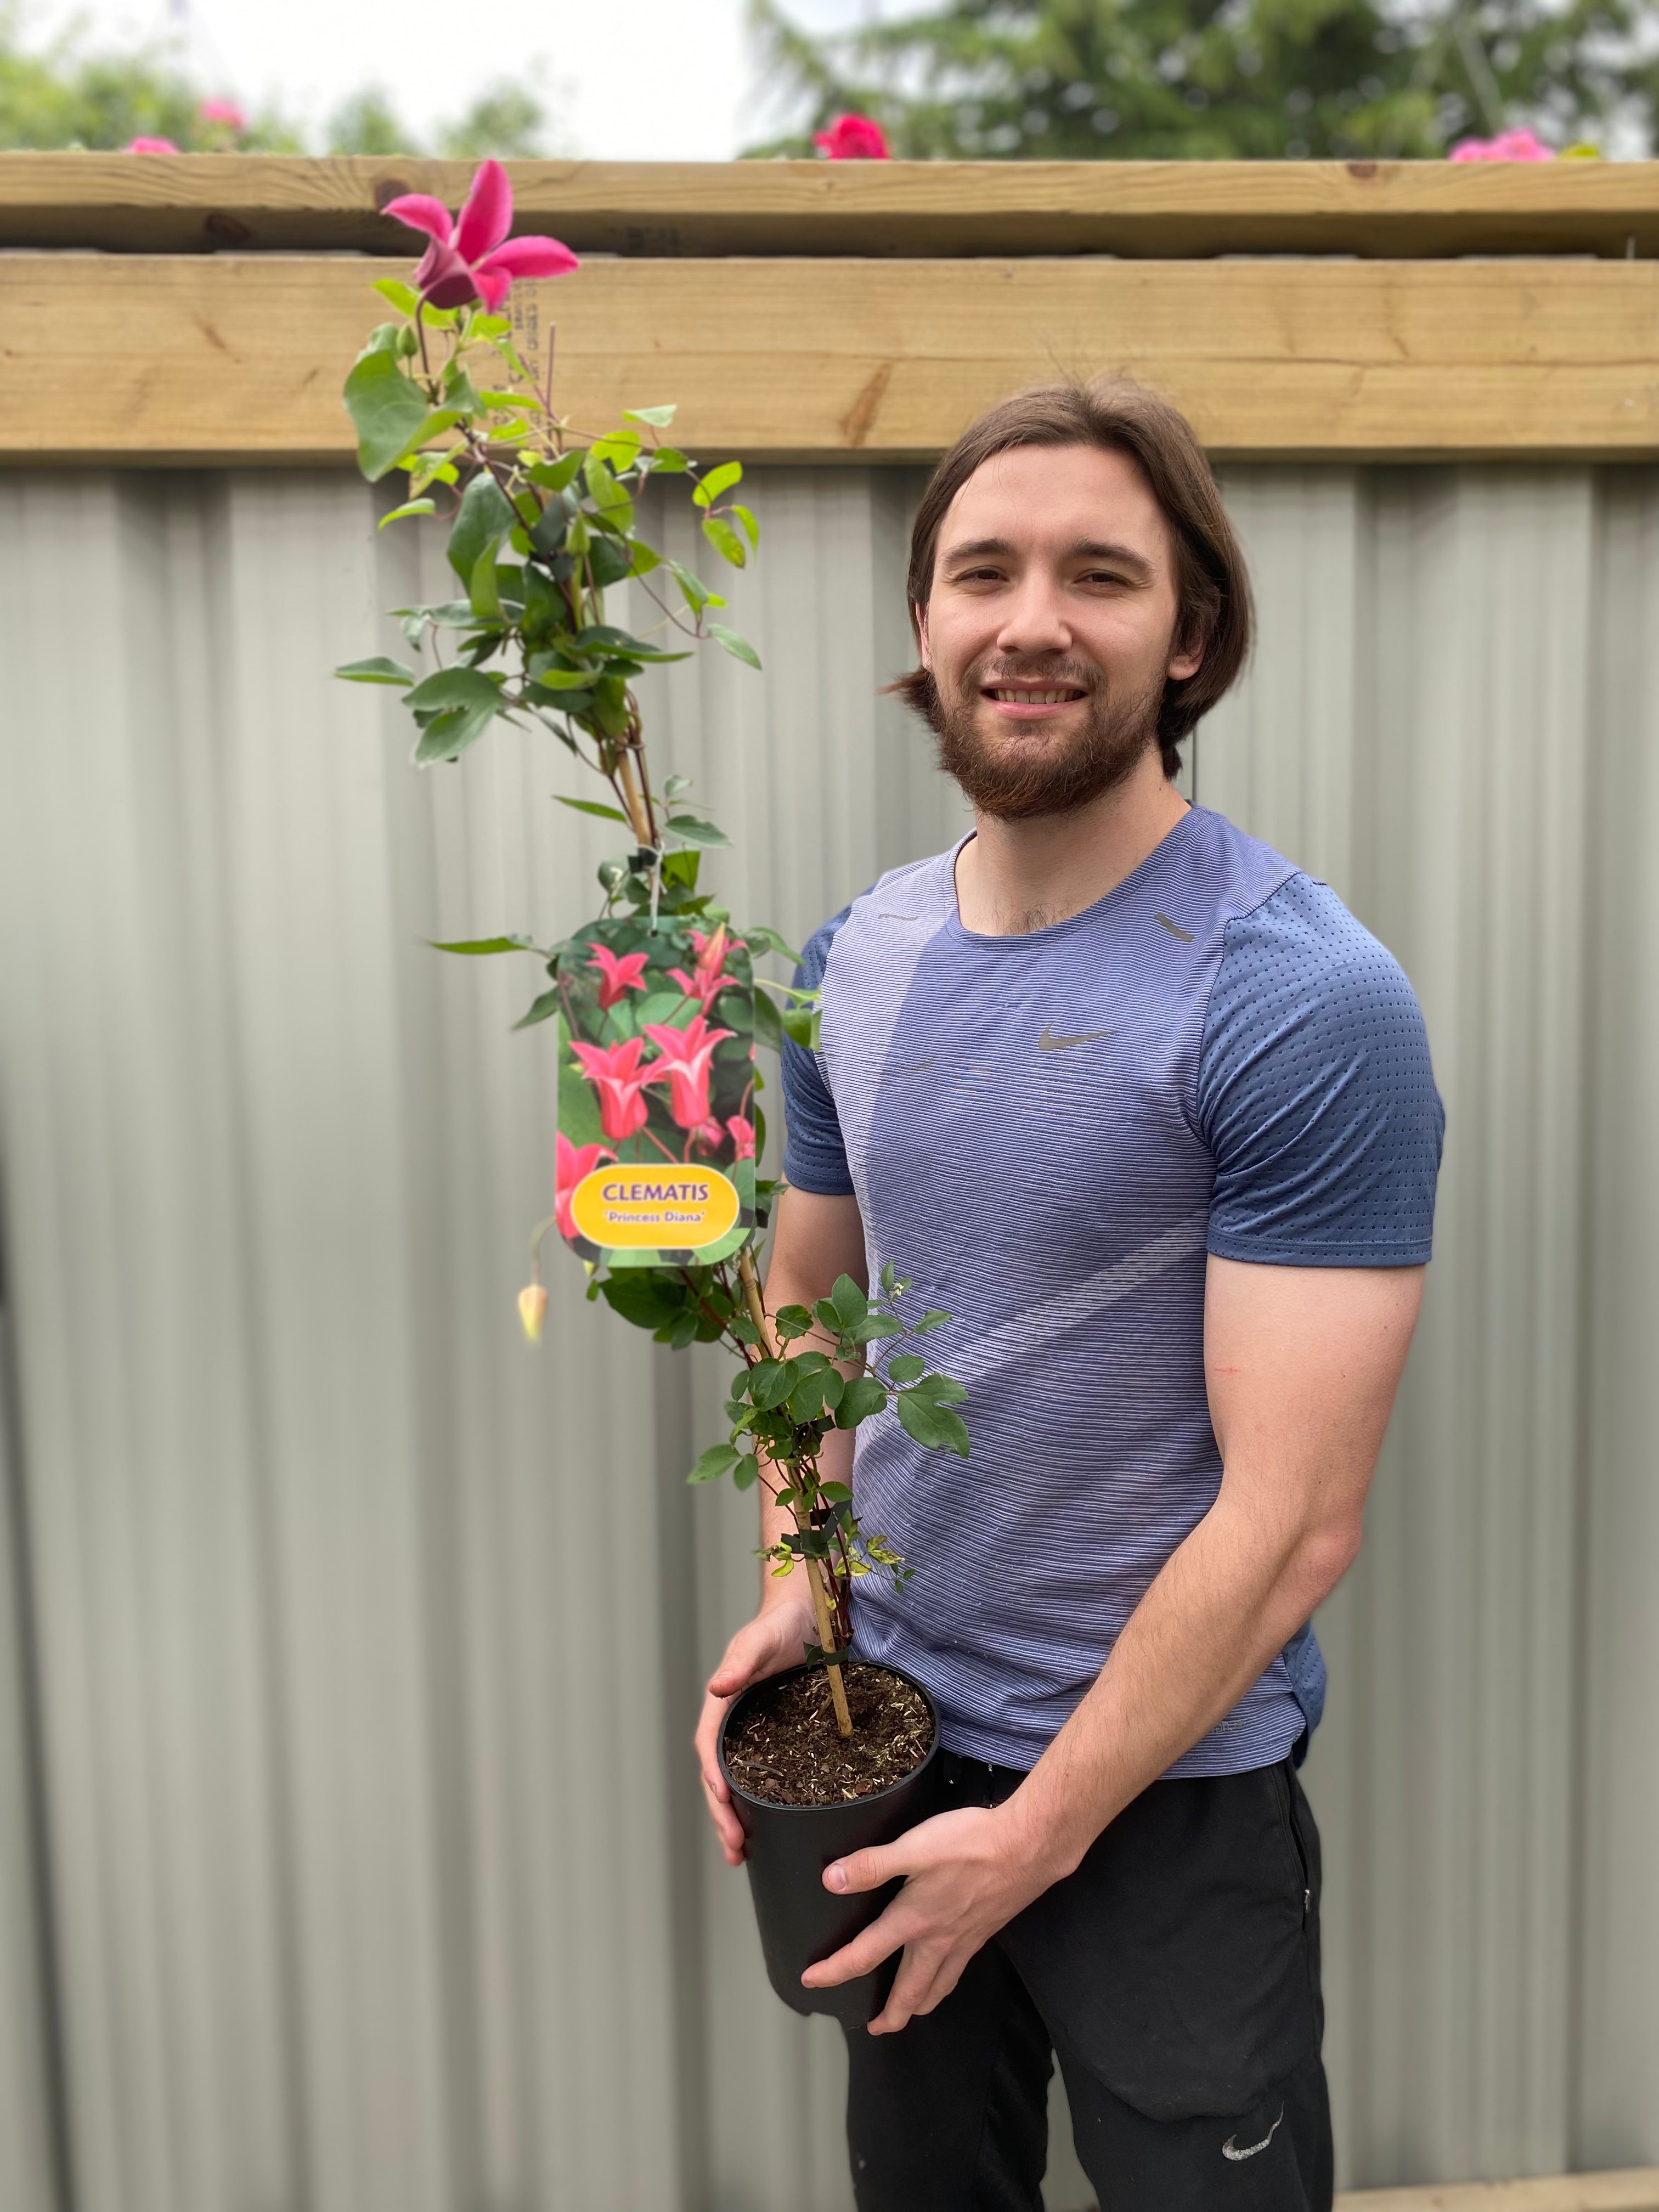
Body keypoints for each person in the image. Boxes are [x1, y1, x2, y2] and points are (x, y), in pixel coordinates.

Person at [693, 377, 1444, 2212]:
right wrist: (799, 1580)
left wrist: (1035, 1833)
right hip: (890, 1741)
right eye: (985, 572)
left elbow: (1295, 1520)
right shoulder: (854, 960)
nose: (1030, 621)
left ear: (1190, 634)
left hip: (1166, 1802)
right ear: (927, 621)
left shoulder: (1295, 994)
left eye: (1098, 575)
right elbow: (807, 1304)